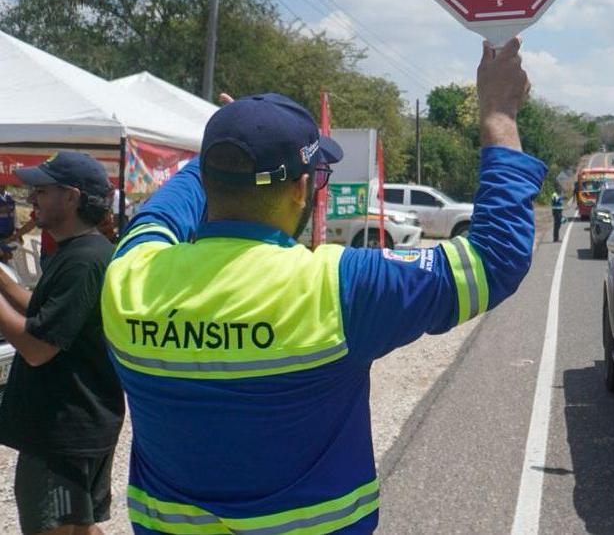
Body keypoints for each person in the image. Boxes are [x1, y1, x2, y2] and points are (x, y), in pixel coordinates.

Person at [101, 39, 544, 534]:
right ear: (301, 189)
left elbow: (167, 207)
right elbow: (494, 256)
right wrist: (499, 114)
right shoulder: (336, 286)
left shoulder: (129, 276)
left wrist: (232, 141)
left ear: (209, 177)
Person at [0, 153, 125, 535]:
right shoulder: (80, 250)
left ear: (71, 197)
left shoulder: (83, 260)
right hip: (76, 423)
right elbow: (42, 315)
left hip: (64, 431)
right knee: (78, 527)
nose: (32, 197)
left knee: (56, 529)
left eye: (41, 189)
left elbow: (38, 348)